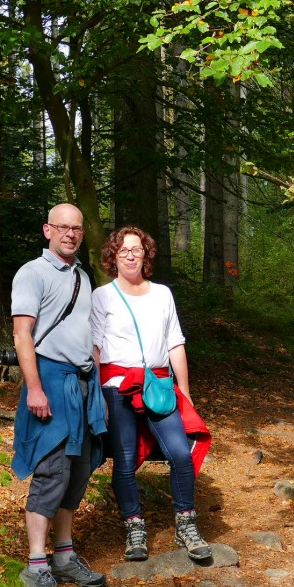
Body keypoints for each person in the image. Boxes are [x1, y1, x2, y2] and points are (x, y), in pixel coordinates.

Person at [91, 226, 213, 563]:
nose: (130, 255)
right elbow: (96, 347)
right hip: (117, 387)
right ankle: (134, 527)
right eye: (123, 250)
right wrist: (96, 395)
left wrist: (184, 392)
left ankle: (186, 524)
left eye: (136, 249)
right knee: (126, 460)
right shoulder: (103, 296)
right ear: (113, 257)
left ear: (146, 255)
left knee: (180, 453)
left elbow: (175, 343)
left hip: (159, 387)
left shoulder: (162, 294)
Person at [10, 203, 109, 587]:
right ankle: (36, 564)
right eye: (63, 227)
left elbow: (88, 334)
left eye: (77, 229)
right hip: (49, 380)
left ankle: (64, 557)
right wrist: (34, 388)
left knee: (79, 470)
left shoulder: (82, 277)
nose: (70, 234)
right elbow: (22, 334)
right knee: (52, 469)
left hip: (83, 384)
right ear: (47, 229)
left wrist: (98, 380)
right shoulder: (32, 273)